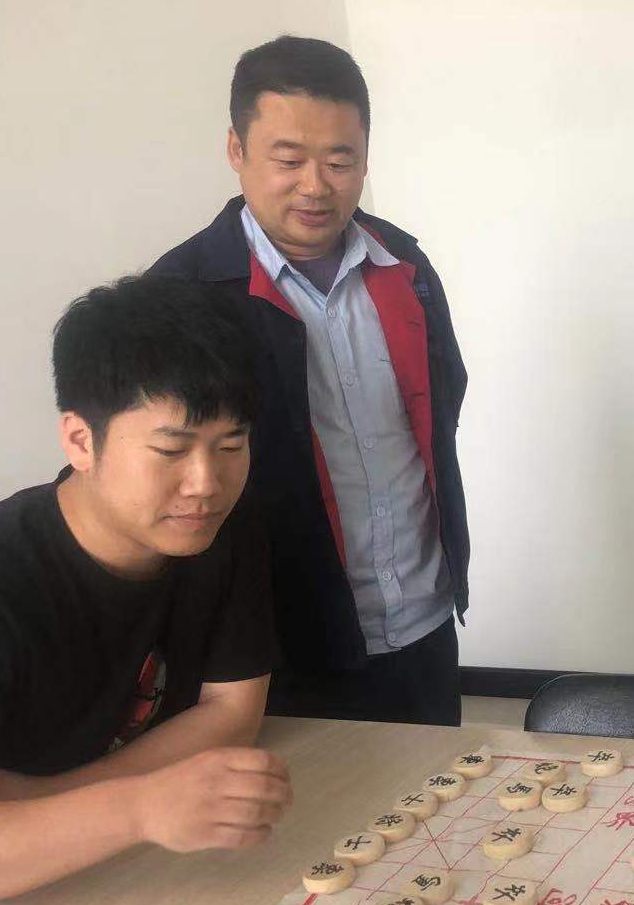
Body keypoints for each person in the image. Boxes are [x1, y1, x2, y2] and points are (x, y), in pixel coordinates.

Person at [0, 277, 290, 905]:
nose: (206, 483)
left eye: (232, 445)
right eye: (171, 449)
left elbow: (233, 713)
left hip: (115, 881)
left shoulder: (219, 529)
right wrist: (138, 808)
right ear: (81, 441)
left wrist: (45, 797)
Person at [150, 36, 470, 727]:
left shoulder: (404, 266)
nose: (316, 186)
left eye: (340, 161)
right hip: (279, 648)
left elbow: (440, 409)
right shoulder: (181, 296)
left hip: (423, 621)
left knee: (441, 796)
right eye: (289, 160)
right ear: (236, 150)